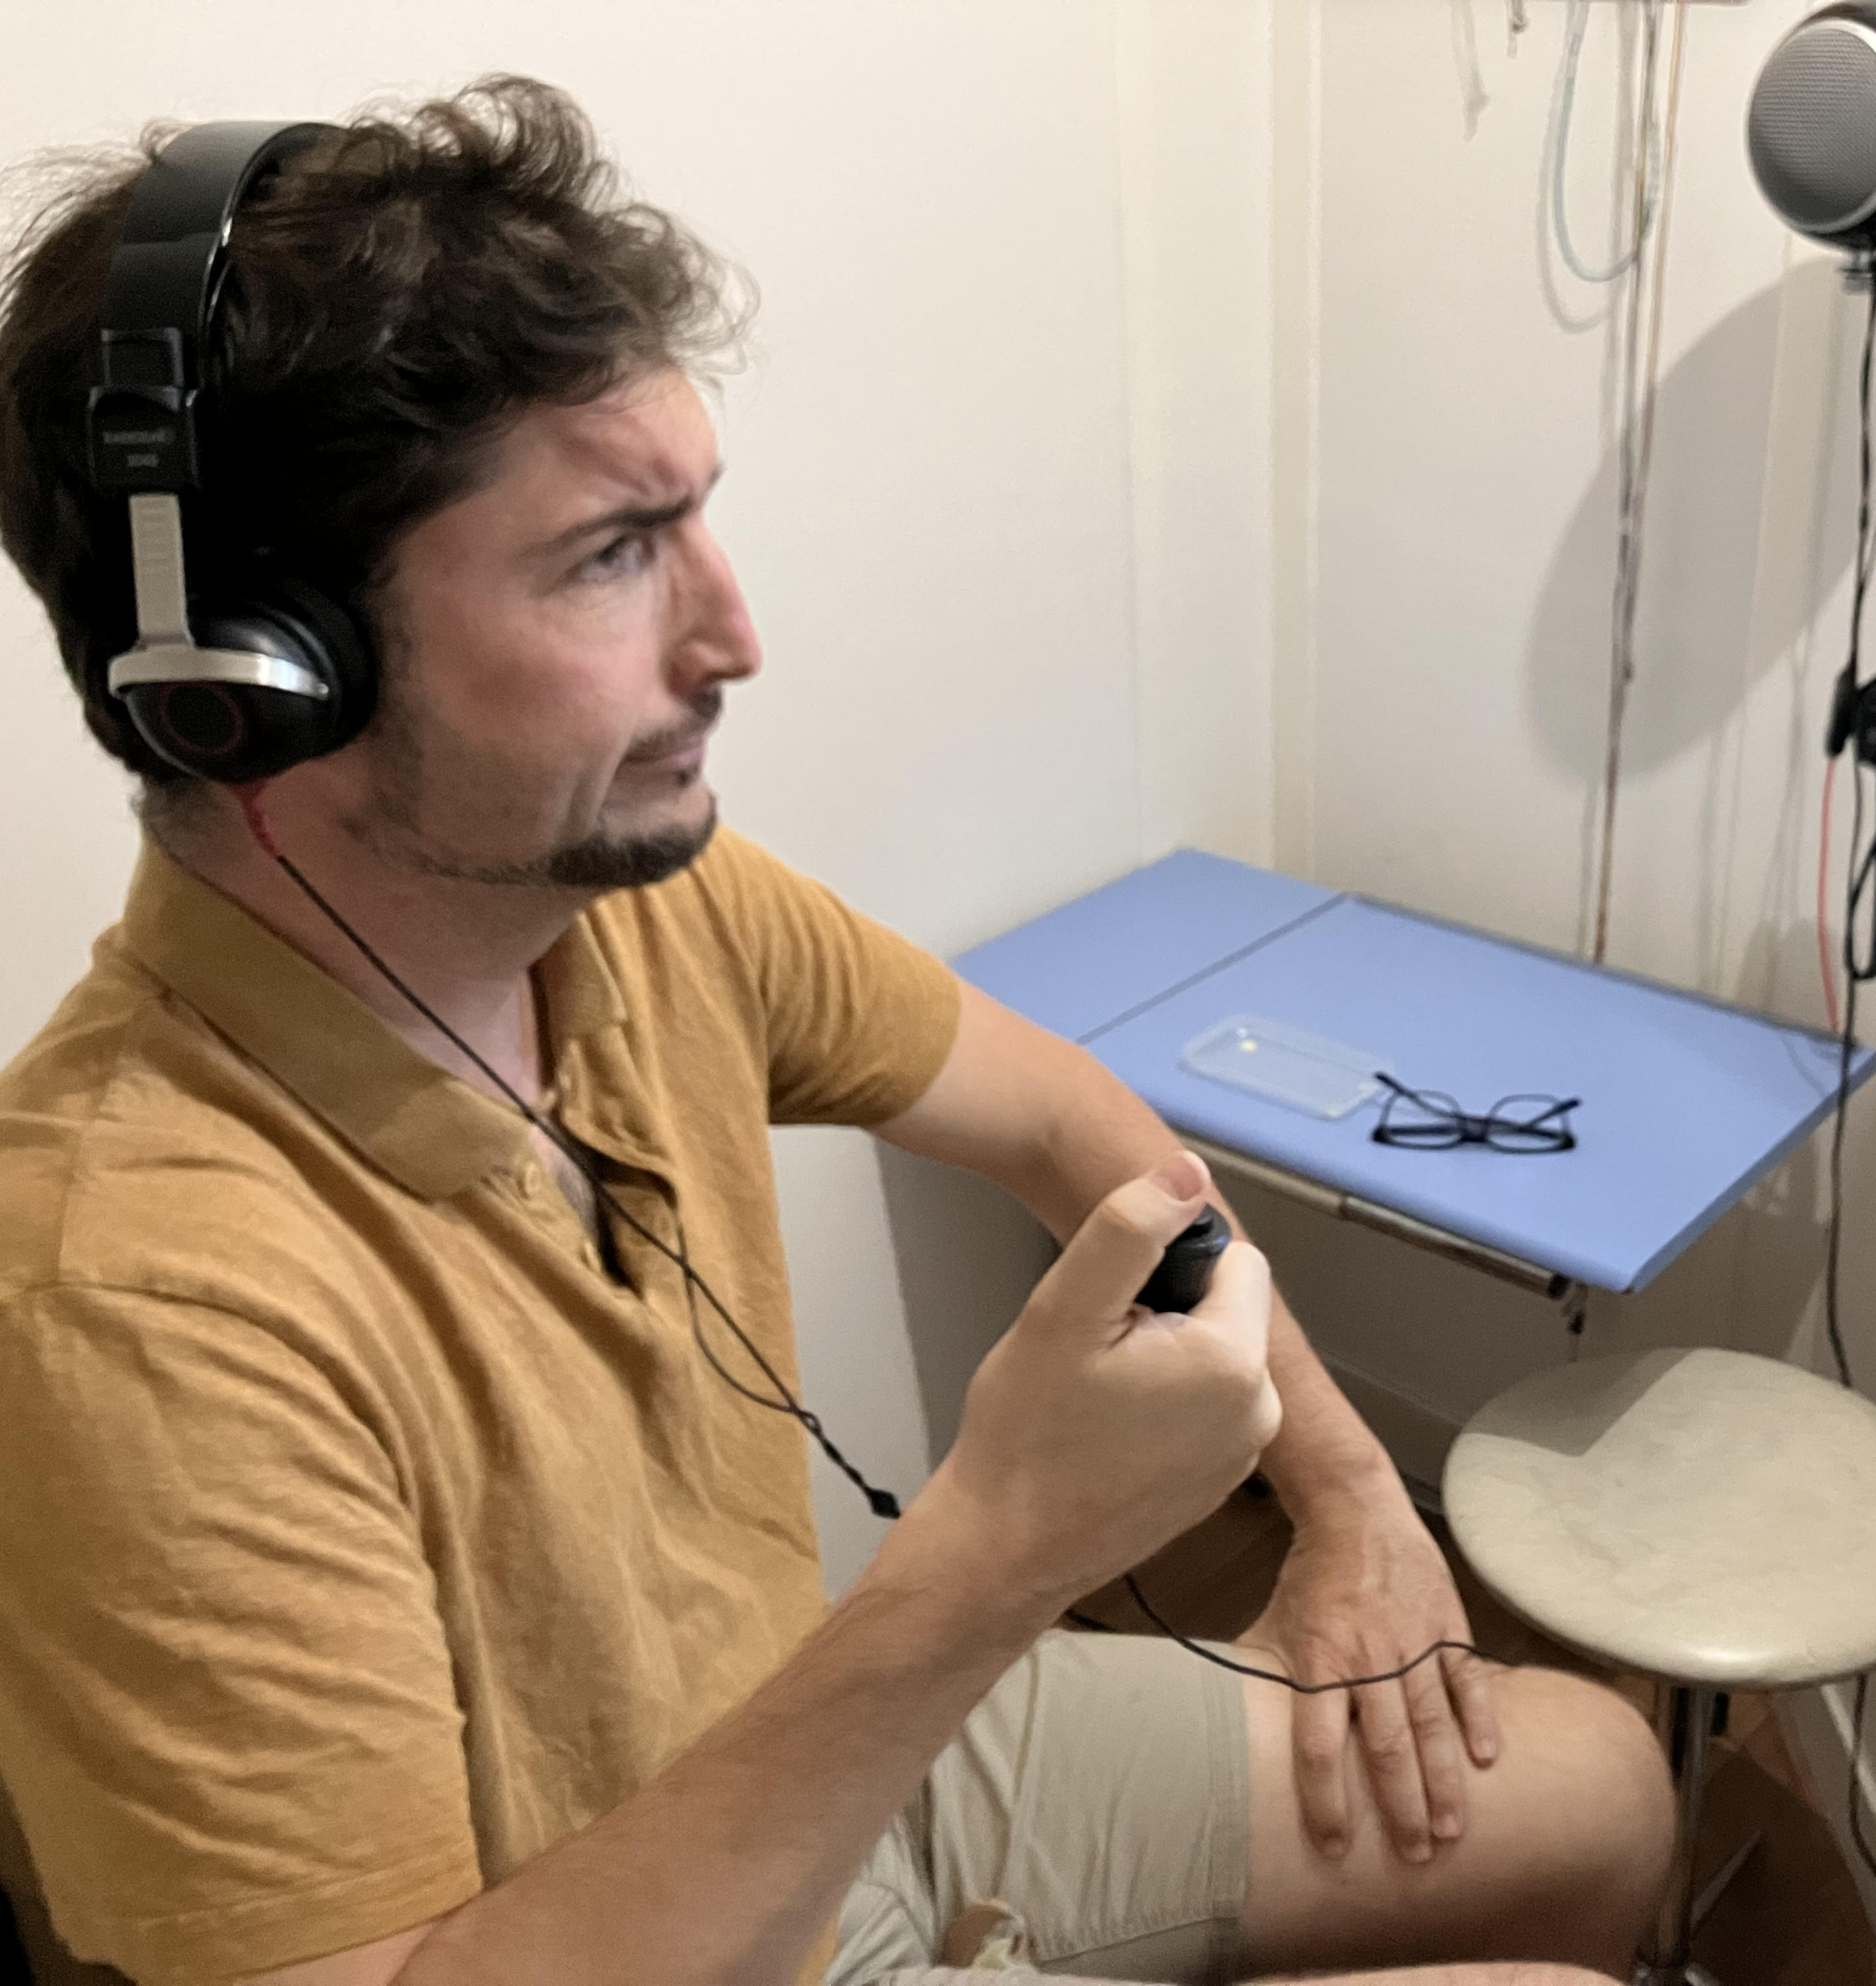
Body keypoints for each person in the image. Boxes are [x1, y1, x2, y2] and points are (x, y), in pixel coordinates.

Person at [0, 77, 1672, 1986]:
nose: (734, 640)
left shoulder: (646, 903)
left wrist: (1354, 1500)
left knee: (1605, 1790)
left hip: (829, 1741)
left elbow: (1066, 1119)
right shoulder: (125, 1306)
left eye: (694, 522)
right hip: (643, 1914)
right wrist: (997, 1553)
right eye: (610, 556)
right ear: (251, 684)